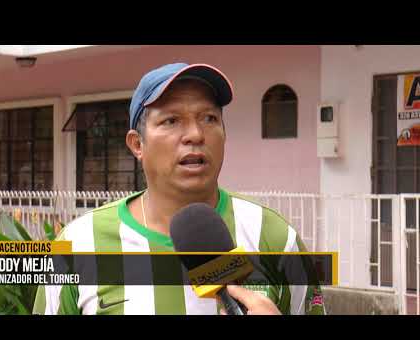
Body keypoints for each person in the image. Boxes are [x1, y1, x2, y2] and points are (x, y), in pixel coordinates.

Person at [33, 63, 326, 315]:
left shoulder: (273, 235)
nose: (196, 135)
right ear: (137, 144)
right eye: (171, 121)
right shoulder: (78, 245)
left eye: (209, 118)